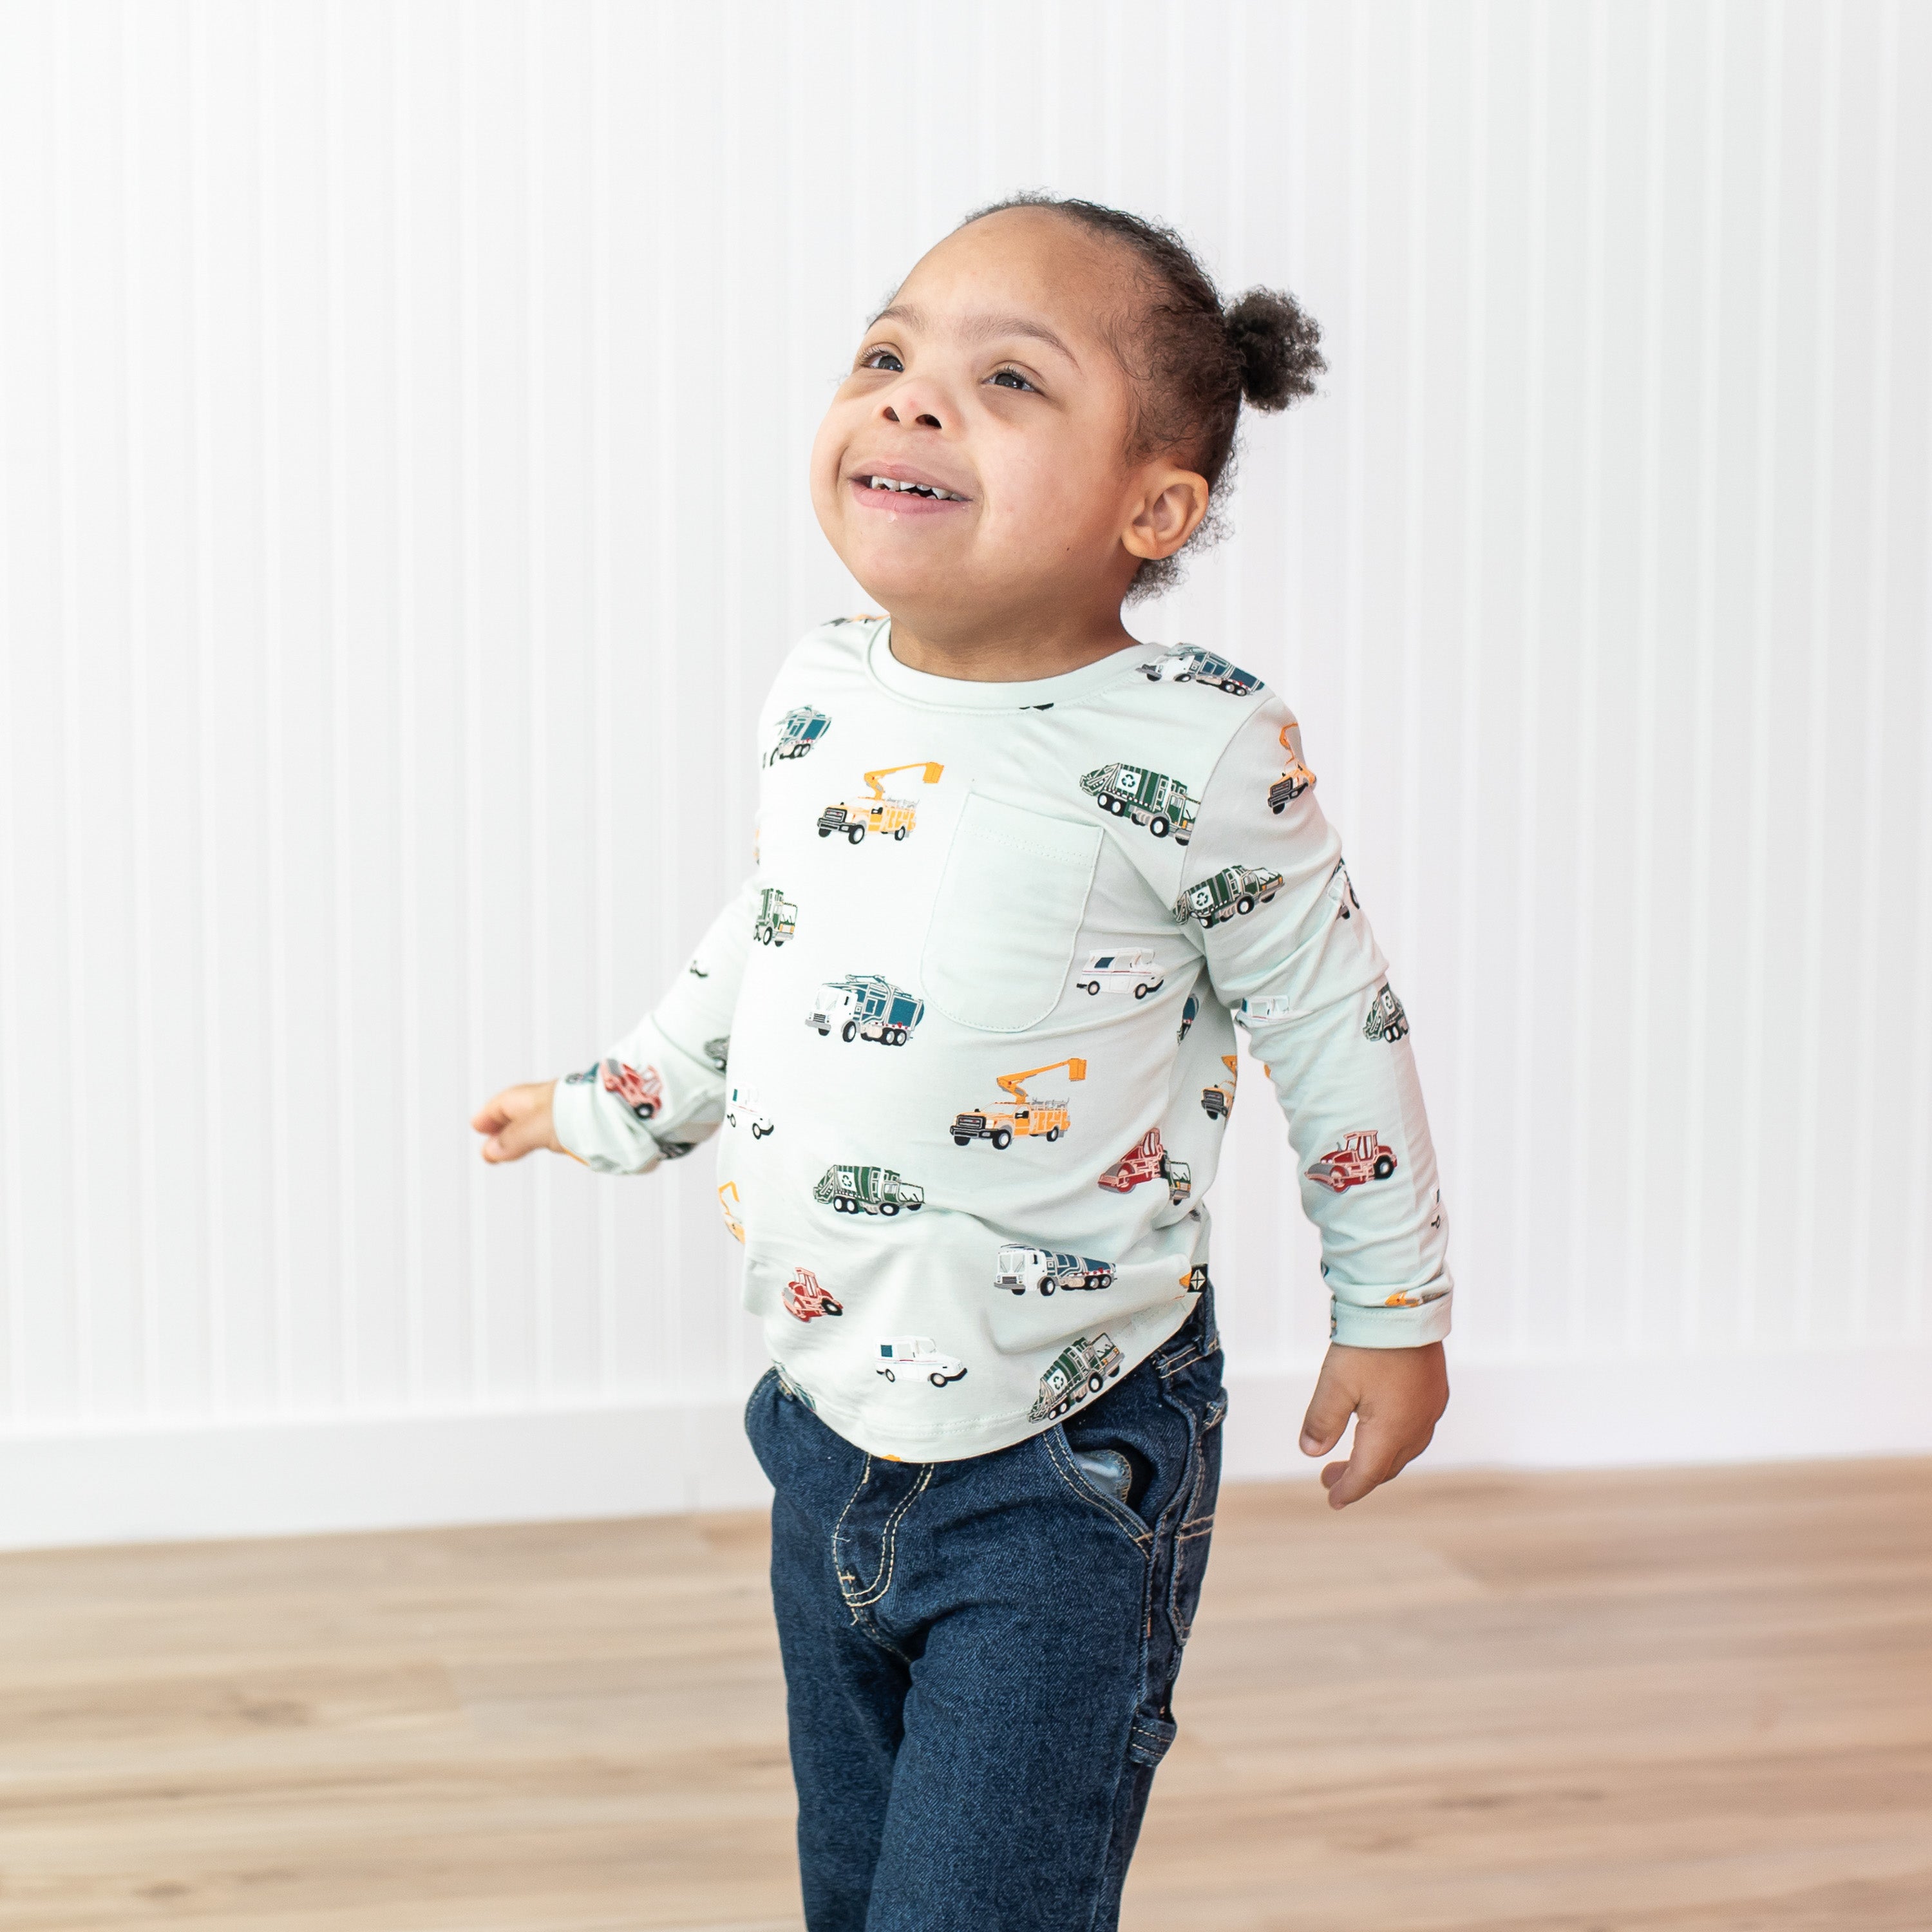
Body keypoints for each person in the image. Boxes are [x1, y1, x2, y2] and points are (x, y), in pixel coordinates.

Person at [471, 193, 1452, 1932]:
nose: (915, 399)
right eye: (887, 355)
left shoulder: (1207, 746)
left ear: (1153, 507)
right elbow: (779, 938)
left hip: (1066, 1459)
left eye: (1008, 377)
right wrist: (620, 1101)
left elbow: (1333, 1025)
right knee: (853, 1895)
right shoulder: (823, 692)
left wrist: (1393, 1311)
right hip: (821, 1417)